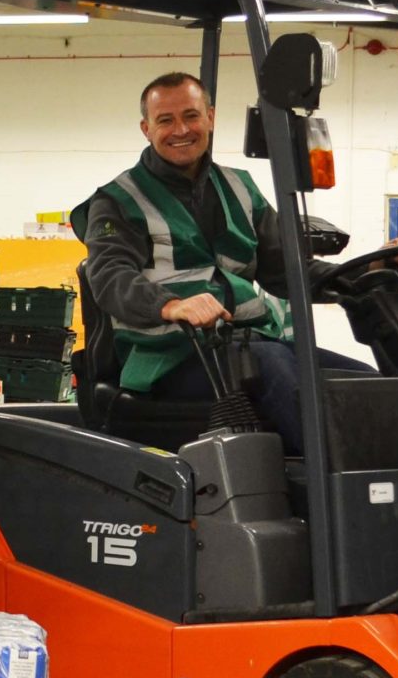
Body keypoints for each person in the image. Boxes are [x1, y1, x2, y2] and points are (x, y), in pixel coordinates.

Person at [79, 70, 371, 452]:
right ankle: (333, 492)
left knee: (364, 382)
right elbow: (109, 276)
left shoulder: (239, 187)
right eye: (165, 120)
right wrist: (171, 305)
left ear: (211, 118)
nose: (181, 129)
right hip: (171, 357)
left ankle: (386, 481)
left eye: (191, 116)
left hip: (246, 344)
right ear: (146, 129)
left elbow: (283, 271)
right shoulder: (118, 200)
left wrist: (361, 277)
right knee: (273, 371)